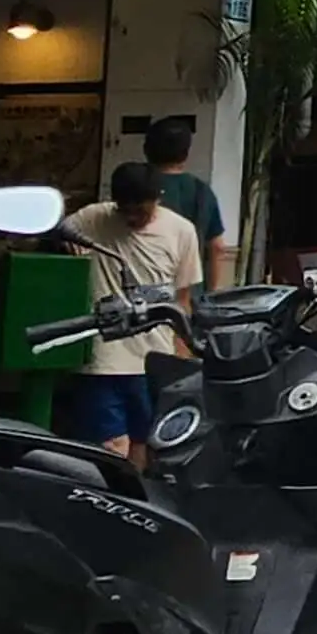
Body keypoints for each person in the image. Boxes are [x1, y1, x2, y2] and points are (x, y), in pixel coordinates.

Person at [58, 165, 206, 461]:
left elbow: (182, 299)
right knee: (111, 446)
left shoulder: (181, 231)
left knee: (146, 443)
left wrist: (182, 358)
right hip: (103, 360)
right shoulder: (93, 219)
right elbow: (61, 237)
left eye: (141, 211)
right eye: (124, 211)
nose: (132, 219)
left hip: (154, 358)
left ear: (158, 198)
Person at [144, 116, 233, 292]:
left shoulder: (138, 186)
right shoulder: (201, 190)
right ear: (186, 153)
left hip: (145, 289)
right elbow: (217, 247)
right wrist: (212, 292)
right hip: (190, 290)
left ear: (147, 149)